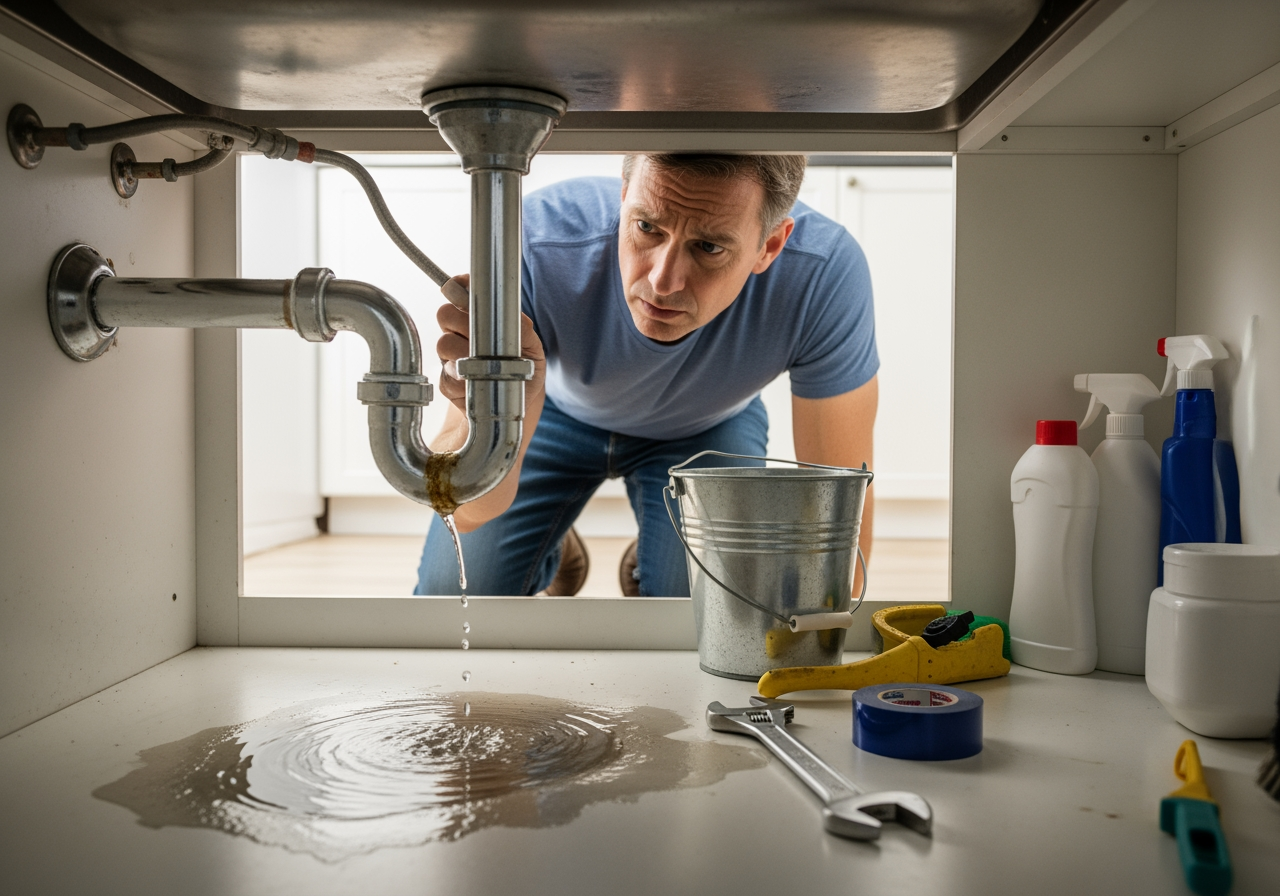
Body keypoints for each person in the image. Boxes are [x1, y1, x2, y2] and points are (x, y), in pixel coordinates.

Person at [415, 153, 878, 597]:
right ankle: (554, 540)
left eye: (709, 247)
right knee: (449, 598)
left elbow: (841, 555)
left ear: (770, 246)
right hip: (550, 410)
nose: (662, 281)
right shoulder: (533, 241)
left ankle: (660, 552)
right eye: (646, 228)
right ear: (624, 198)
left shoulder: (824, 273)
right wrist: (497, 425)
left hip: (708, 427)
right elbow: (461, 509)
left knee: (706, 614)